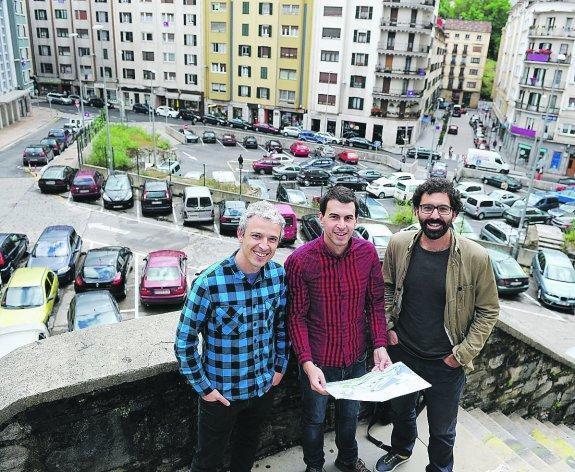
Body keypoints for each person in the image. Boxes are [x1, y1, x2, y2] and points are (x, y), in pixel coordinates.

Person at [375, 178, 500, 472]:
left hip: (446, 363)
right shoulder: (399, 243)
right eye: (427, 207)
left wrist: (461, 354)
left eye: (442, 209)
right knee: (401, 412)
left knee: (442, 431)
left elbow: (488, 310)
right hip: (403, 352)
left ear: (454, 214)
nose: (434, 215)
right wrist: (387, 327)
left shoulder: (475, 257)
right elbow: (388, 286)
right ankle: (402, 450)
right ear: (417, 210)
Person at [174, 201, 290, 472]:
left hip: (262, 388)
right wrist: (205, 389)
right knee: (207, 460)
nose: (264, 245)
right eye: (257, 236)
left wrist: (279, 367)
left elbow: (281, 325)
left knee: (247, 451)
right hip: (221, 395)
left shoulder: (277, 275)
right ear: (240, 235)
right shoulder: (209, 283)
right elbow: (184, 342)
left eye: (272, 239)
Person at [285, 186, 391, 472]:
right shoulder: (299, 261)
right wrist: (307, 364)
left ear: (356, 220)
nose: (341, 226)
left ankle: (346, 461)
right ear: (321, 218)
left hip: (356, 358)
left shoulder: (367, 254)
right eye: (334, 217)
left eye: (348, 217)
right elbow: (296, 317)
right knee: (314, 420)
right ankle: (315, 467)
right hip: (318, 361)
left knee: (350, 416)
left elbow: (376, 302)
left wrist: (379, 344)